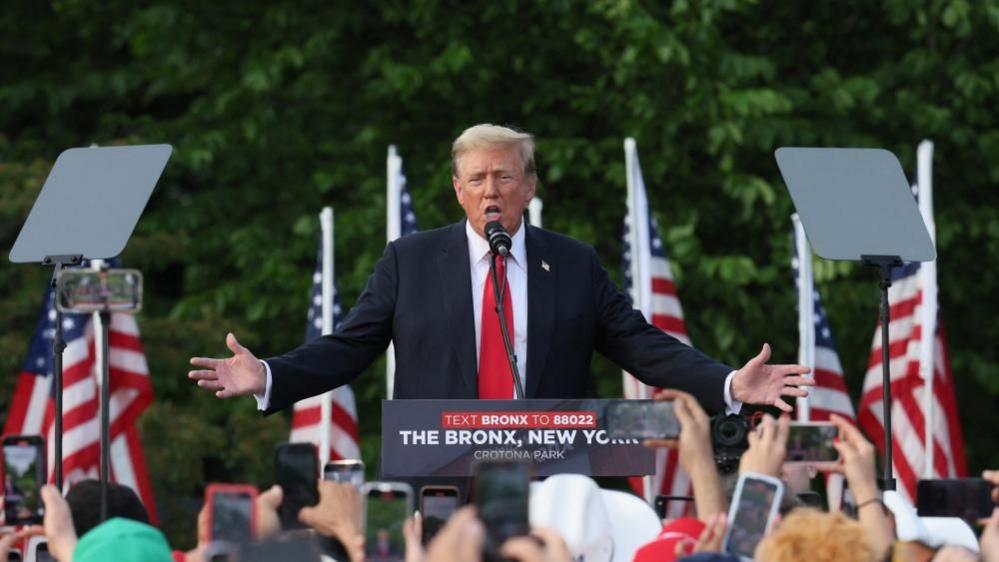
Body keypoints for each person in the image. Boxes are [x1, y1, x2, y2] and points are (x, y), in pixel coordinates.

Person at [189, 124, 812, 415]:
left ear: (529, 187)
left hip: (553, 471)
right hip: (440, 475)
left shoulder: (570, 262)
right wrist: (269, 373)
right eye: (478, 178)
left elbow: (642, 345)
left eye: (505, 176)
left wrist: (729, 384)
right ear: (458, 191)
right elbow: (348, 349)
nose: (492, 190)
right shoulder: (410, 261)